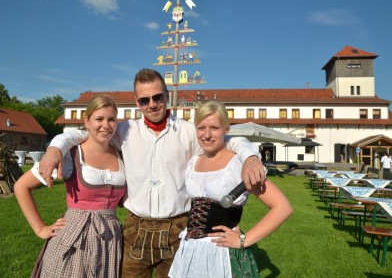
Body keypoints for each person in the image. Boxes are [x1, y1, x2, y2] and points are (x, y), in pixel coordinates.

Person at [38, 68, 266, 278]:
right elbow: (85, 134)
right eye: (144, 100)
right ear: (137, 102)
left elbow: (227, 139)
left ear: (167, 96)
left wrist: (250, 157)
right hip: (135, 228)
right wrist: (55, 148)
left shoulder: (188, 132)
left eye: (158, 97)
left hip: (177, 228)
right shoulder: (125, 130)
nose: (152, 104)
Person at [169, 101, 293, 278]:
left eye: (214, 127)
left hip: (222, 252)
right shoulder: (194, 162)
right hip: (191, 250)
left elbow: (282, 207)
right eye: (201, 127)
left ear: (226, 130)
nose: (207, 134)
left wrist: (244, 240)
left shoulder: (238, 164)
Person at [14, 95, 126, 277]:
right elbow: (21, 186)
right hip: (74, 238)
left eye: (111, 119)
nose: (105, 125)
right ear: (87, 122)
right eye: (99, 119)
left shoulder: (121, 155)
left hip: (110, 239)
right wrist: (40, 228)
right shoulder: (69, 155)